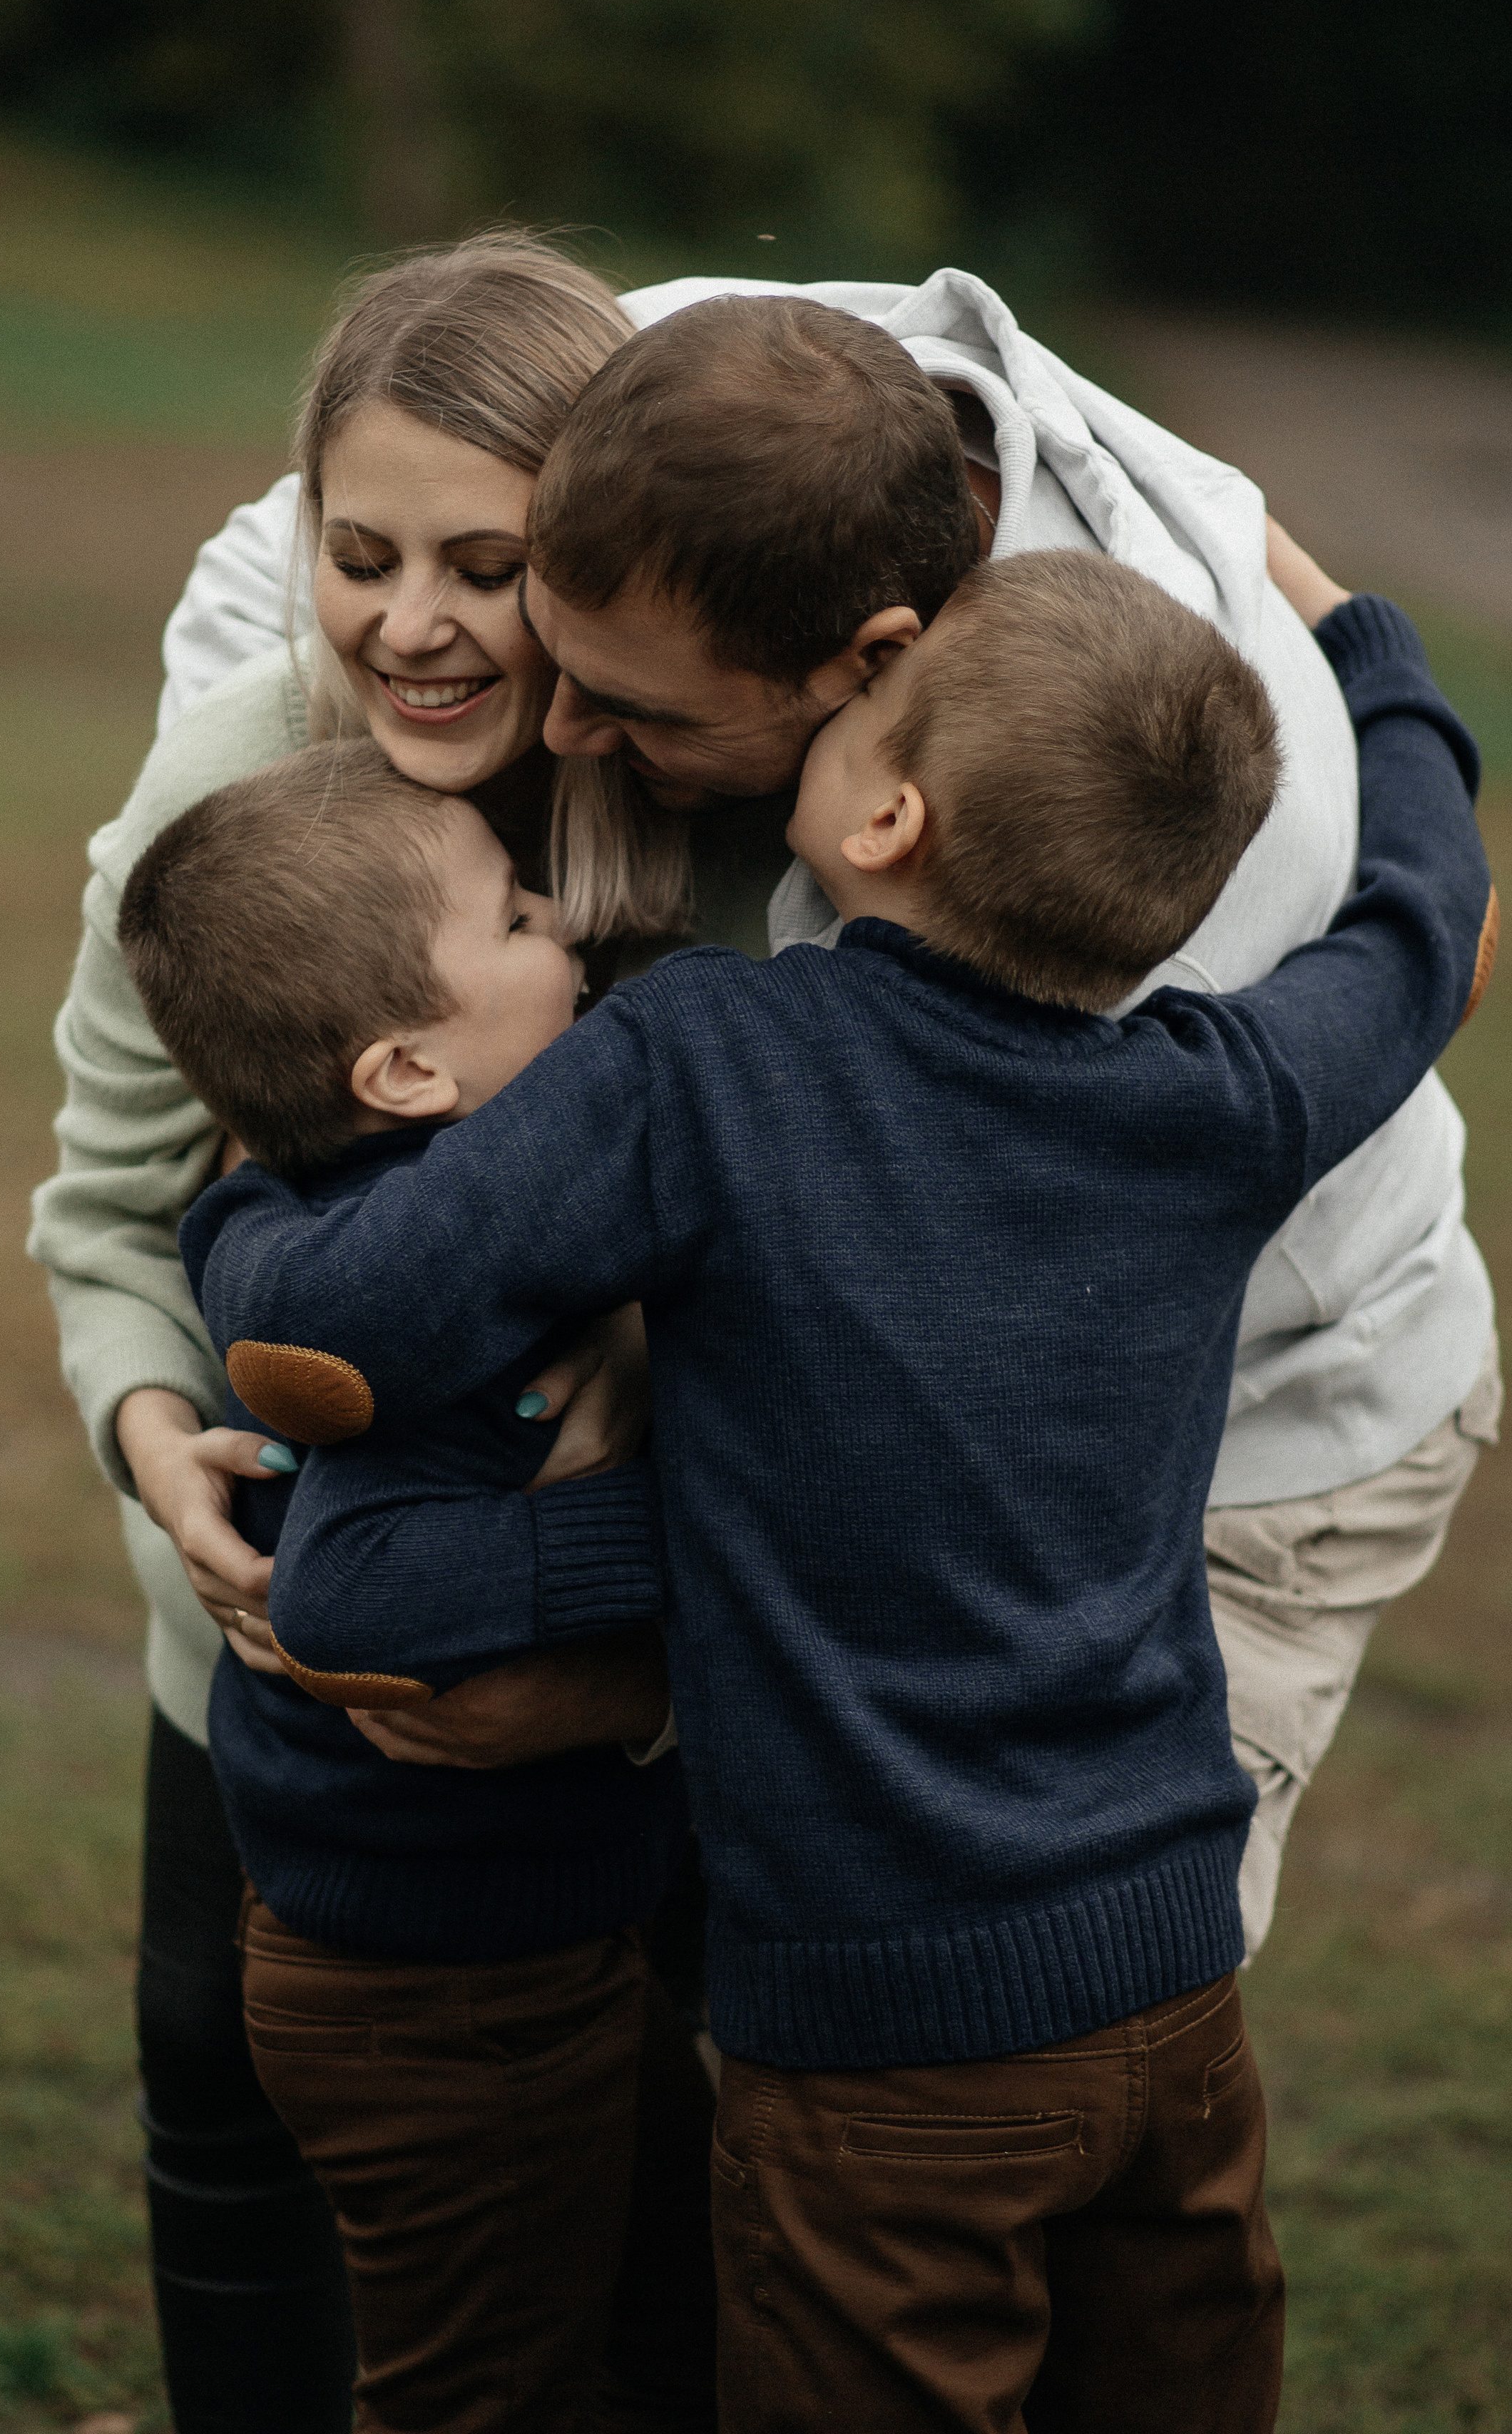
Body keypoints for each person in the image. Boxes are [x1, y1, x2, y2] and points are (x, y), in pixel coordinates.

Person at [183, 517, 1491, 2429]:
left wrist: (233, 1235)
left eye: (864, 701)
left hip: (887, 2058)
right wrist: (1376, 654)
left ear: (885, 816)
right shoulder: (1229, 1101)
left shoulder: (717, 1057)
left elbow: (357, 1337)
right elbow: (1421, 922)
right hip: (1178, 1993)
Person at [29, 233, 778, 2432]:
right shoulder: (239, 786)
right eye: (360, 556)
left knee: (645, 2147)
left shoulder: (730, 801)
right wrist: (154, 1433)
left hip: (658, 1647)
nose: (414, 625)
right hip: (271, 1627)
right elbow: (101, 1205)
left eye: (490, 561)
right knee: (218, 2061)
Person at [114, 738, 712, 2434]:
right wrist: (678, 1541)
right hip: (440, 1994)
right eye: (521, 918)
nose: (570, 938)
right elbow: (356, 1593)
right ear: (401, 1071)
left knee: (664, 2334)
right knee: (482, 2399)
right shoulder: (434, 1297)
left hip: (523, 1949)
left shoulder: (311, 1207)